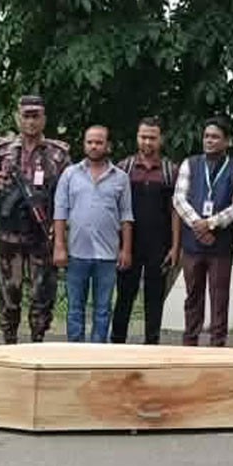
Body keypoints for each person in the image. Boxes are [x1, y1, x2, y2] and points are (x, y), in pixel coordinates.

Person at [0, 96, 70, 344]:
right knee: (10, 291)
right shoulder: (1, 150)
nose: (30, 121)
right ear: (17, 117)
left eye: (36, 115)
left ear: (44, 118)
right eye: (26, 115)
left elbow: (67, 196)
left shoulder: (59, 153)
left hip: (42, 234)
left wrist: (60, 235)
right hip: (9, 235)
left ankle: (37, 342)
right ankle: (9, 342)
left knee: (42, 292)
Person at [53, 125, 134, 343]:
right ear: (84, 144)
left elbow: (126, 216)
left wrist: (126, 250)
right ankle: (75, 350)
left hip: (107, 255)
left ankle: (98, 351)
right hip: (77, 252)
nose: (94, 146)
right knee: (75, 308)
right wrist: (59, 246)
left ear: (108, 145)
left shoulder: (120, 178)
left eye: (99, 142)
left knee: (103, 308)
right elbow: (60, 211)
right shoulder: (70, 174)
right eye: (90, 142)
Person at [172, 116, 233, 347]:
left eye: (215, 137)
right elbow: (179, 199)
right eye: (206, 136)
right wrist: (198, 223)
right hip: (192, 243)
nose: (209, 141)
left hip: (220, 245)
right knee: (193, 294)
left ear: (227, 142)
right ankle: (190, 341)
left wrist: (211, 223)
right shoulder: (189, 164)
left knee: (219, 296)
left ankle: (217, 343)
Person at [111, 117, 180, 345]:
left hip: (159, 245)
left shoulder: (171, 171)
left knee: (155, 298)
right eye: (143, 137)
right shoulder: (124, 168)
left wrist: (175, 246)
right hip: (128, 244)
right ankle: (116, 345)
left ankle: (152, 346)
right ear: (137, 138)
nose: (147, 142)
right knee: (124, 296)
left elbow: (175, 211)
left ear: (160, 140)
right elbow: (114, 209)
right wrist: (119, 245)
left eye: (152, 137)